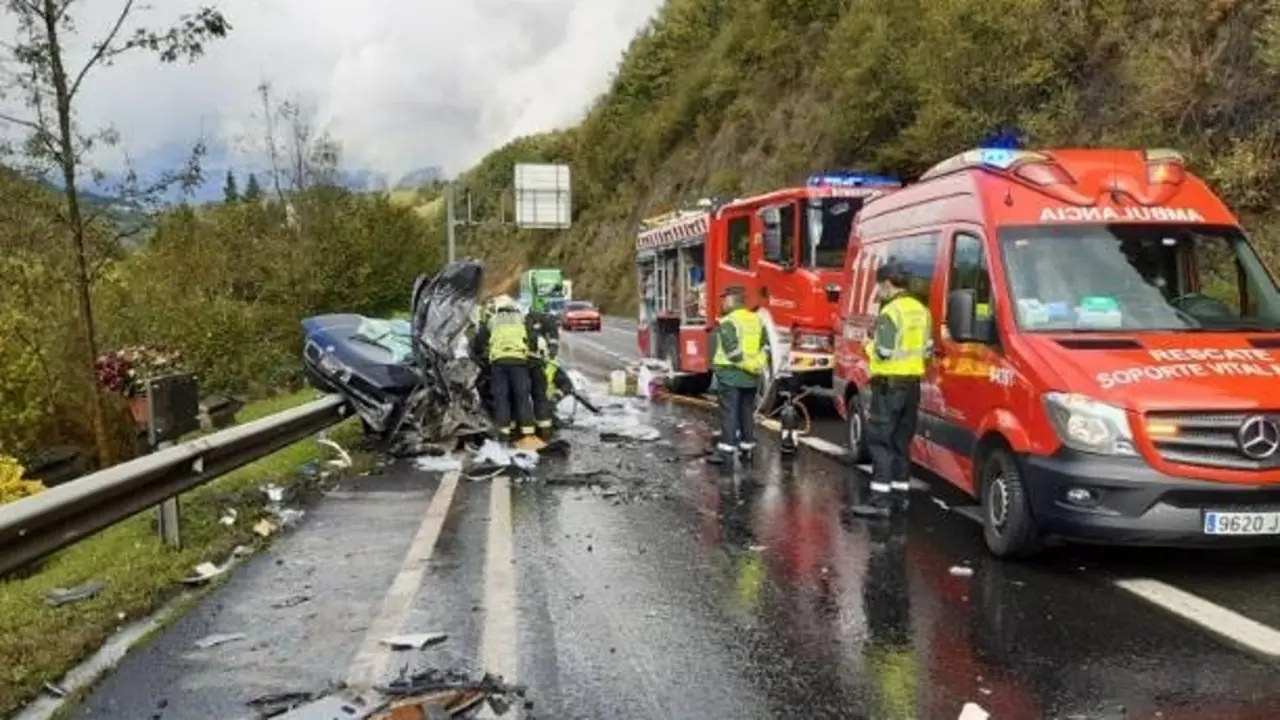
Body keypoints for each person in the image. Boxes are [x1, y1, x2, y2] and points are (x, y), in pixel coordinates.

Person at [851, 263, 932, 517]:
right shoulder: (922, 311)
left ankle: (880, 502)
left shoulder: (891, 312)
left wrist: (867, 344)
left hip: (889, 386)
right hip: (912, 385)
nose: (878, 292)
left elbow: (884, 352)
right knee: (900, 441)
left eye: (879, 287)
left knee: (879, 440)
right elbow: (927, 350)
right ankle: (900, 497)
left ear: (887, 284)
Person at [471, 295, 545, 451]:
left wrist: (480, 354)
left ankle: (504, 435)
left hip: (499, 363)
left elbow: (479, 341)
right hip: (519, 363)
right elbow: (533, 338)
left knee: (501, 398)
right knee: (522, 397)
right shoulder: (521, 319)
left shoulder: (493, 320)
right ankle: (528, 435)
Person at [708, 285, 769, 465]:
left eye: (724, 300)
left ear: (731, 300)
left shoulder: (729, 321)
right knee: (746, 412)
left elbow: (732, 352)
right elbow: (765, 347)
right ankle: (747, 448)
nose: (723, 303)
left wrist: (747, 366)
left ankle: (726, 451)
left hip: (731, 376)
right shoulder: (757, 320)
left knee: (729, 412)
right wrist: (756, 366)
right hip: (751, 378)